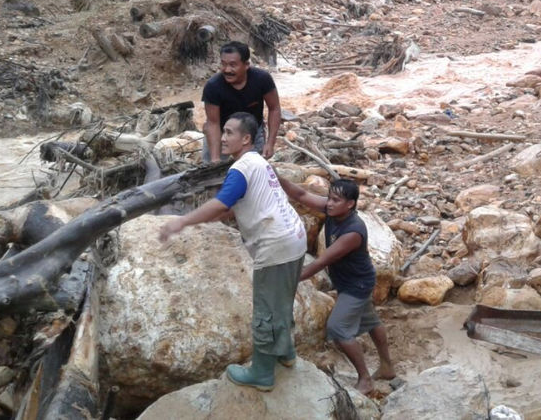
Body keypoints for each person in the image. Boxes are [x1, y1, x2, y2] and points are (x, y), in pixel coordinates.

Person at [159, 112, 307, 391]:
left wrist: (182, 221)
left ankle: (262, 373)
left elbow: (221, 203)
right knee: (282, 301)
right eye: (223, 132)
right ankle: (286, 352)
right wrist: (205, 219)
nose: (223, 138)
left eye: (229, 133)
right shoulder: (259, 162)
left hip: (275, 246)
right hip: (295, 238)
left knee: (265, 310)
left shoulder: (240, 169)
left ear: (246, 138)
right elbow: (232, 207)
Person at [278, 176, 395, 395]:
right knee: (370, 320)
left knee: (338, 328)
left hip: (357, 285)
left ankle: (365, 379)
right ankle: (387, 366)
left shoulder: (353, 232)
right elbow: (300, 194)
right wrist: (273, 174)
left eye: (336, 200)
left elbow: (321, 262)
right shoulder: (333, 210)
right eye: (329, 198)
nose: (329, 203)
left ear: (350, 204)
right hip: (351, 279)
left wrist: (288, 280)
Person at [202, 41, 281, 162]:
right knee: (212, 170)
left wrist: (270, 143)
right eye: (223, 64)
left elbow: (274, 108)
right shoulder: (213, 86)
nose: (227, 70)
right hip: (222, 134)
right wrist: (215, 158)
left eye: (233, 65)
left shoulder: (262, 79)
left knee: (252, 168)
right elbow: (213, 123)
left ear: (246, 64)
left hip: (252, 134)